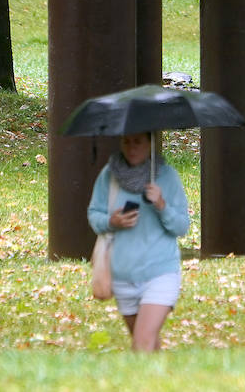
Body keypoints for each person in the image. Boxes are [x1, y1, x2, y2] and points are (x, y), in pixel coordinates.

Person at [86, 132, 190, 351]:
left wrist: (161, 205)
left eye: (138, 141)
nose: (131, 147)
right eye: (126, 141)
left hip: (160, 272)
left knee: (142, 343)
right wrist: (111, 221)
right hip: (123, 275)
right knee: (148, 346)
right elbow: (94, 215)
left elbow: (181, 227)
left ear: (150, 143)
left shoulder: (167, 176)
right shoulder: (109, 175)